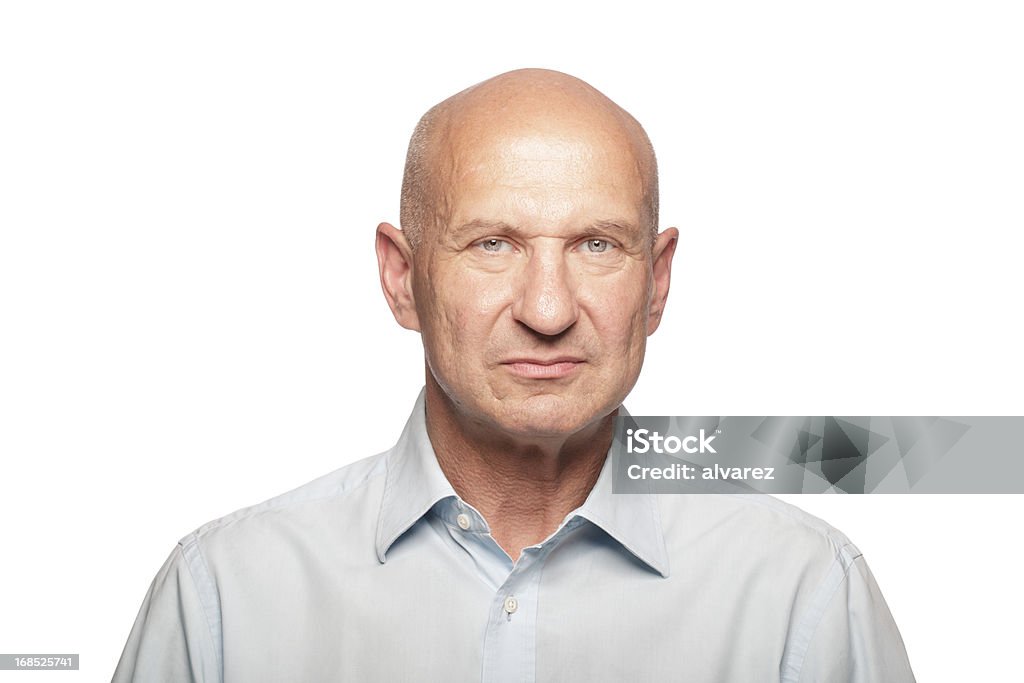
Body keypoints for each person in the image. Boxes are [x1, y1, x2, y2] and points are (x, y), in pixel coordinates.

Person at [113, 69, 916, 682]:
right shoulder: (221, 597)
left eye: (597, 244)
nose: (547, 306)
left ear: (657, 282)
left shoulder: (804, 596)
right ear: (401, 279)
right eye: (492, 242)